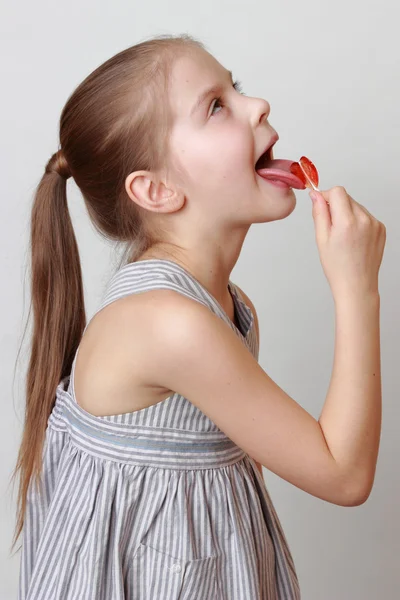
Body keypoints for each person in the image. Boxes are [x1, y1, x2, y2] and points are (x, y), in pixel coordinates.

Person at [11, 33, 386, 600]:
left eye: (234, 89)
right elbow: (343, 473)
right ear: (157, 190)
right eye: (216, 106)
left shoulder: (226, 308)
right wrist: (357, 288)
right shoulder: (169, 323)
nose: (257, 105)